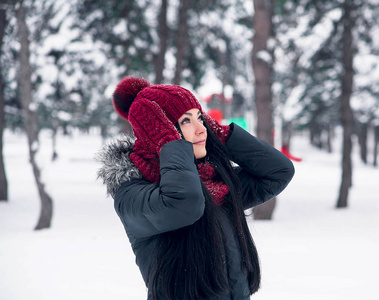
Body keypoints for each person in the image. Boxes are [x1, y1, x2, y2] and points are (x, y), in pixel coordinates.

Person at [96, 76, 295, 300]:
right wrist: (169, 143)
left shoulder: (216, 183)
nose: (202, 130)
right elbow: (184, 204)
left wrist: (220, 135)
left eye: (200, 118)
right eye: (186, 121)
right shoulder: (132, 193)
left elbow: (278, 172)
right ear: (160, 132)